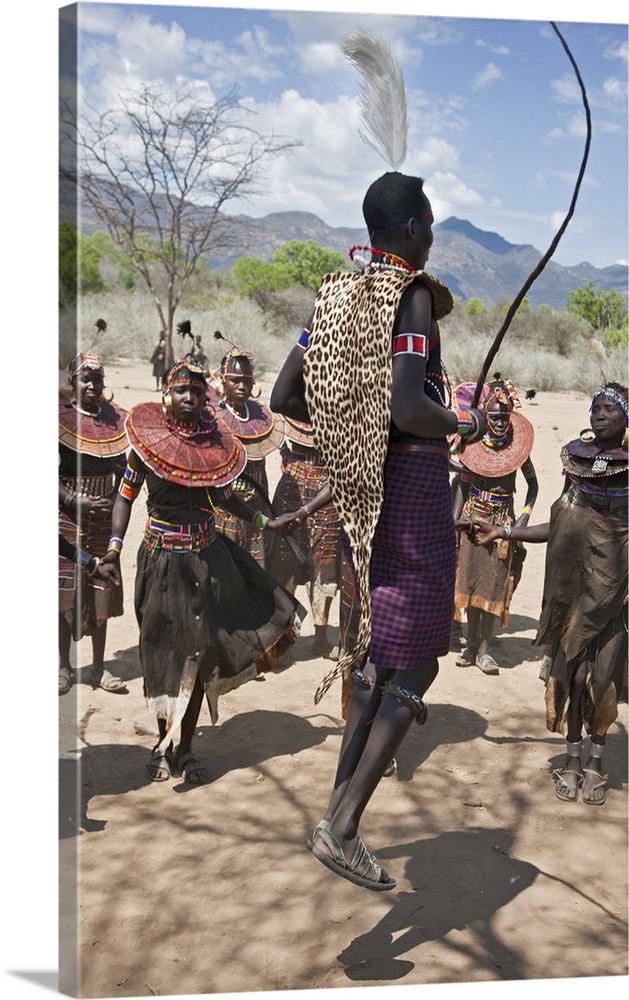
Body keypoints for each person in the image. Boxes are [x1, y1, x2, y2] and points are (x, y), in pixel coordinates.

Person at [270, 170, 487, 889]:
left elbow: (285, 394)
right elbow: (408, 408)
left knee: (376, 652)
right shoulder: (413, 294)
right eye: (427, 225)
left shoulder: (332, 298)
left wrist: (347, 427)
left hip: (364, 495)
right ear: (410, 229)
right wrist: (466, 421)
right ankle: (342, 826)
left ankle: (335, 808)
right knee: (419, 658)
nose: (430, 237)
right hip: (416, 489)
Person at [103, 355, 304, 785]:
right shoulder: (145, 444)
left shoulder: (215, 446)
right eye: (182, 390)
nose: (191, 397)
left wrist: (267, 522)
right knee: (161, 655)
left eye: (197, 390)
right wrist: (114, 546)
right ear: (167, 395)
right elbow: (125, 498)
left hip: (208, 560)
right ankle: (162, 745)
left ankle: (187, 748)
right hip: (161, 563)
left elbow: (225, 499)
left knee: (201, 654)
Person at [473, 381, 628, 805]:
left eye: (608, 409)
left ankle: (597, 760)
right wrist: (505, 530)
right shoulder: (577, 461)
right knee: (574, 677)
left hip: (618, 593)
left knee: (603, 678)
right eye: (594, 407)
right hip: (575, 588)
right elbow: (560, 521)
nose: (598, 414)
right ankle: (573, 759)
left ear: (626, 420)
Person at [452, 377, 538, 674]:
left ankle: (486, 650)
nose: (500, 420)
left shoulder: (518, 451)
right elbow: (462, 486)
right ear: (485, 416)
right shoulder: (472, 446)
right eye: (495, 416)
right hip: (472, 521)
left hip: (502, 522)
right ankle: (471, 645)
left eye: (504, 416)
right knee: (471, 582)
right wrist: (455, 520)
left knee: (494, 585)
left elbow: (533, 487)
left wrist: (524, 517)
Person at [59, 352, 128, 695]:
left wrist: (116, 500)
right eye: (85, 379)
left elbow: (126, 473)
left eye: (98, 380)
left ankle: (100, 669)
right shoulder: (57, 420)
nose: (92, 385)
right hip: (65, 517)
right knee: (63, 596)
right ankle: (63, 666)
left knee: (102, 592)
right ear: (72, 381)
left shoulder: (115, 423)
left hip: (103, 519)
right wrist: (74, 500)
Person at [265, 416, 343, 658]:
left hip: (329, 487)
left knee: (324, 563)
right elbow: (274, 421)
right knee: (283, 564)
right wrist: (286, 454)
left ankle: (321, 639)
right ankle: (281, 640)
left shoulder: (342, 406)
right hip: (293, 484)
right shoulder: (291, 403)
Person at [208, 345, 285, 569]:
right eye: (235, 380)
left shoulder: (261, 417)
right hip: (222, 509)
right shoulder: (211, 417)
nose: (242, 386)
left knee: (255, 570)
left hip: (256, 506)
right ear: (223, 382)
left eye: (247, 381)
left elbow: (261, 471)